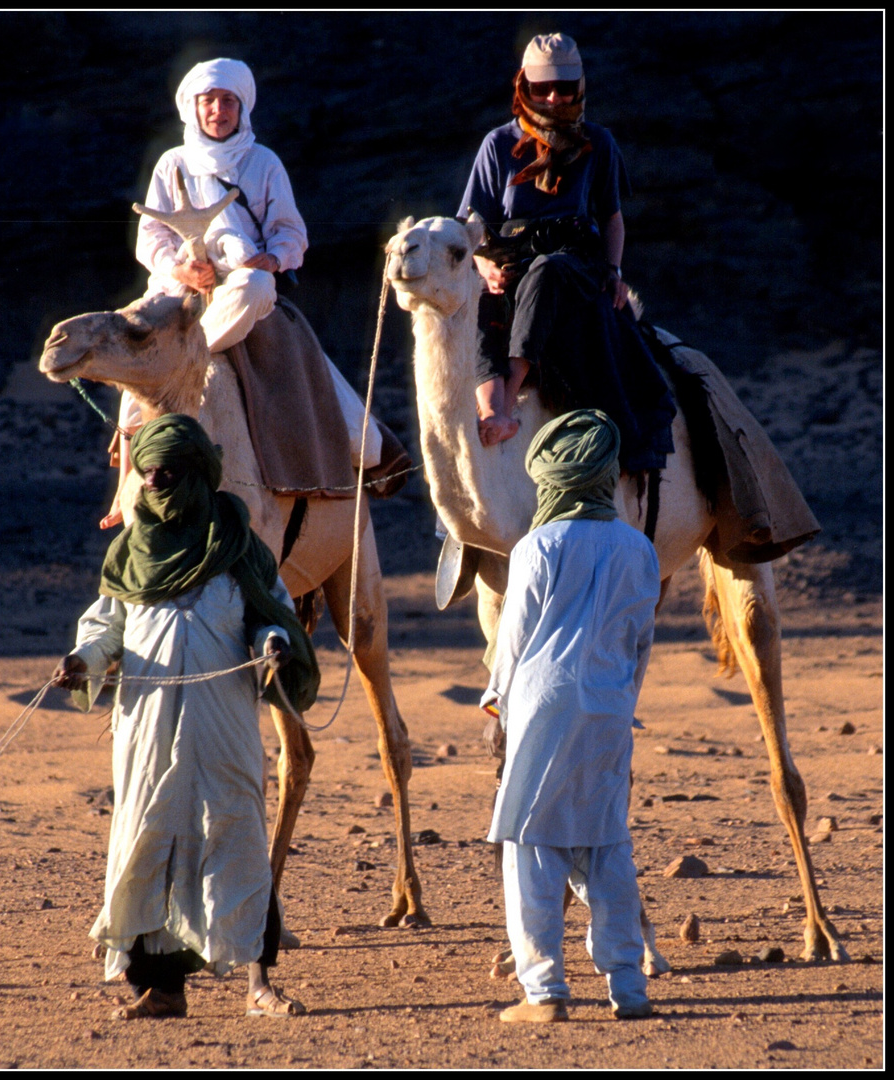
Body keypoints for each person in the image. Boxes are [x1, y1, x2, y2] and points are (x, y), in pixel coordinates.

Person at [52, 413, 317, 1020]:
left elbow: (269, 613)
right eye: (148, 475)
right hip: (146, 728)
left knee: (237, 838)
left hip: (221, 727)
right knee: (151, 840)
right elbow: (106, 628)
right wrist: (82, 659)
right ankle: (163, 989)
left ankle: (260, 986)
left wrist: (273, 643)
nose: (155, 485)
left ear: (197, 476)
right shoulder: (131, 552)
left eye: (167, 474)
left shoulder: (241, 548)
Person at [102, 57, 406, 527]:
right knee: (130, 343)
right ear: (192, 108)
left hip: (243, 292)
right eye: (209, 102)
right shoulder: (173, 164)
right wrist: (182, 271)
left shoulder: (263, 162)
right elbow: (151, 239)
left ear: (242, 107)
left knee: (257, 287)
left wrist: (272, 258)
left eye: (227, 101)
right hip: (180, 291)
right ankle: (129, 472)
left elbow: (291, 234)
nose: (218, 111)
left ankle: (370, 451)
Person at [480, 409, 657, 1023]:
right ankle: (628, 987)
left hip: (542, 706)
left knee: (532, 844)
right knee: (606, 842)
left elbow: (515, 637)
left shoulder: (537, 546)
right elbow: (640, 642)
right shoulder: (639, 549)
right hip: (610, 708)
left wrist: (495, 702)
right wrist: (618, 702)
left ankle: (544, 991)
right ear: (605, 476)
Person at [458, 33, 675, 475]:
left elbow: (612, 219)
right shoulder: (497, 144)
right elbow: (471, 227)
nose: (554, 96)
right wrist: (484, 265)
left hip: (574, 264)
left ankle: (512, 391)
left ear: (580, 86)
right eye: (542, 87)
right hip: (509, 260)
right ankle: (489, 413)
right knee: (479, 301)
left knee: (548, 270)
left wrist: (614, 270)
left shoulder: (599, 142)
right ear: (525, 87)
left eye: (564, 86)